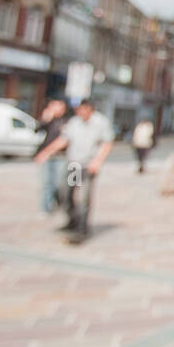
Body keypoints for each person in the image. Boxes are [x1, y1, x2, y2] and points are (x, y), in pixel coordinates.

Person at [34, 99, 114, 245]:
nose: (80, 113)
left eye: (83, 110)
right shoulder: (75, 122)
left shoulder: (100, 122)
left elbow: (107, 143)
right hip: (75, 165)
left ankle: (83, 227)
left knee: (84, 196)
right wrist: (46, 152)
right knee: (66, 192)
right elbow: (64, 140)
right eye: (78, 110)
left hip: (89, 165)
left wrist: (98, 161)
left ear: (90, 109)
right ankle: (72, 220)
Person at [35, 99, 68, 213]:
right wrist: (46, 118)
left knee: (60, 183)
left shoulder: (66, 121)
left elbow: (64, 140)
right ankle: (47, 208)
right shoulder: (49, 121)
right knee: (47, 183)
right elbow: (37, 130)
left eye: (59, 107)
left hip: (61, 156)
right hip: (47, 157)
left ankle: (60, 202)